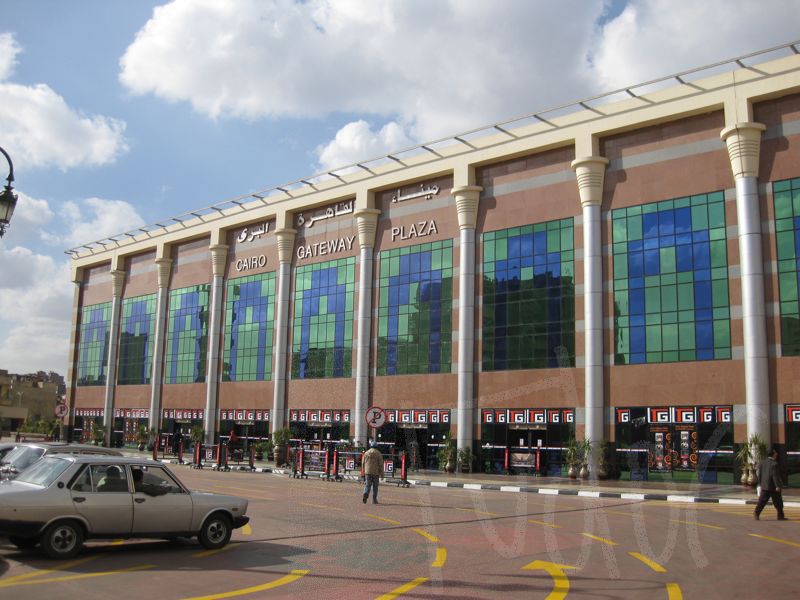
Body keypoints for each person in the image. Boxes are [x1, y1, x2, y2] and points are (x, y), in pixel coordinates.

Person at [754, 445, 787, 521]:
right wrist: (777, 486)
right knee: (778, 502)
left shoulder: (762, 462)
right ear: (773, 454)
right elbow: (775, 476)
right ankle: (780, 516)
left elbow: (759, 474)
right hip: (773, 487)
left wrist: (760, 483)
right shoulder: (774, 464)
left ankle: (756, 513)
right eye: (775, 453)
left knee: (762, 501)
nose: (777, 454)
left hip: (765, 485)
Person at [362, 440, 384, 504]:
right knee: (375, 487)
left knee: (367, 485)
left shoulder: (366, 453)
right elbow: (381, 465)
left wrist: (363, 470)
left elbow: (363, 463)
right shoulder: (378, 453)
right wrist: (382, 474)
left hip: (367, 472)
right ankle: (374, 500)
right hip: (375, 472)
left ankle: (365, 493)